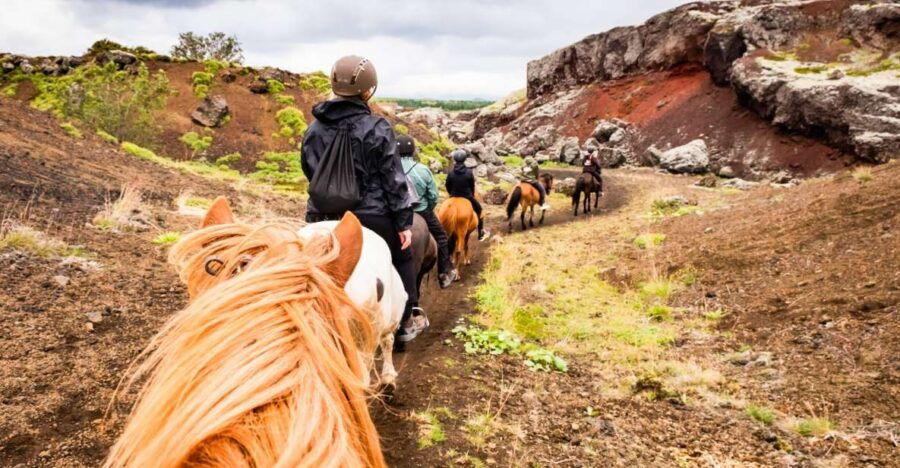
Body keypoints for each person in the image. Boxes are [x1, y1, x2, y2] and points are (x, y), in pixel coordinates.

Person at [300, 55, 426, 348]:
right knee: (403, 256)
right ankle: (407, 319)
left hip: (320, 216)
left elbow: (310, 170)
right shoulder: (378, 128)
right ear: (368, 91)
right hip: (372, 215)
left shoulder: (313, 130)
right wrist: (403, 223)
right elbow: (393, 181)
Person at [396, 134, 459, 288]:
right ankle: (444, 273)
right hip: (421, 210)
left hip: (395, 213)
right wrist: (428, 209)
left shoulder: (389, 168)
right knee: (442, 238)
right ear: (413, 151)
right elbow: (433, 195)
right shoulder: (423, 169)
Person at [445, 149, 489, 241]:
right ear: (465, 159)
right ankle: (481, 232)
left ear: (455, 159)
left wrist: (451, 194)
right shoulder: (469, 172)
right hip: (467, 196)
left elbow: (447, 185)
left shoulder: (451, 173)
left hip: (453, 195)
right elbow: (472, 186)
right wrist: (471, 196)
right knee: (480, 210)